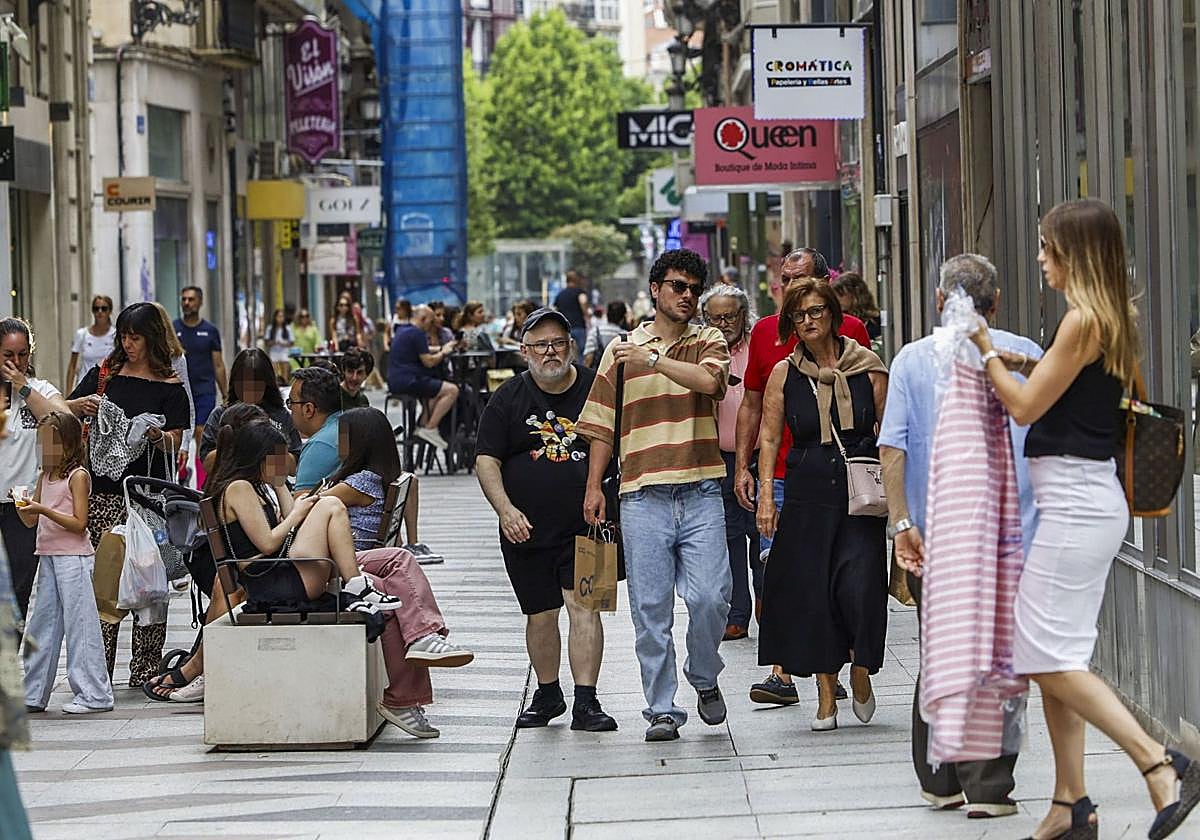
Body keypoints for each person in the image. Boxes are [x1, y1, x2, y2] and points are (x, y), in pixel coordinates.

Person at [969, 199, 1198, 840]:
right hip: (1083, 499)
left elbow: (1023, 410)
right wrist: (1025, 363)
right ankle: (1071, 805)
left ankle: (1162, 765)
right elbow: (1079, 393)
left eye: (1048, 248)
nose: (1041, 259)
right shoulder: (1105, 319)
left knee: (1042, 655)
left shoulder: (1081, 320)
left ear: (1075, 253)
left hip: (1074, 504)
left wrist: (989, 352)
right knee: (1053, 653)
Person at [878, 254, 1042, 818]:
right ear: (994, 304)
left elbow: (892, 447)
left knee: (941, 648)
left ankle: (940, 777)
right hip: (1013, 536)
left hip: (933, 537)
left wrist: (902, 524)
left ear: (938, 303)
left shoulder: (911, 360)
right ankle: (990, 787)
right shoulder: (1026, 355)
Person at [578, 248, 732, 743]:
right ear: (655, 290)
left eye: (693, 288)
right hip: (641, 494)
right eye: (676, 286)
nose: (686, 296)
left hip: (702, 488)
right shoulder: (620, 351)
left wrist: (655, 359)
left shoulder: (708, 339)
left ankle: (704, 674)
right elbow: (601, 426)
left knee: (712, 597)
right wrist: (593, 489)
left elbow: (712, 382)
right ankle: (661, 708)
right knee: (651, 609)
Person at [733, 247, 869, 707]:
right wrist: (747, 471)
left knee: (844, 579)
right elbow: (753, 406)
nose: (791, 288)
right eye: (784, 280)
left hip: (846, 476)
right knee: (785, 574)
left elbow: (871, 405)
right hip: (792, 475)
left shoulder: (852, 333)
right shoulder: (766, 334)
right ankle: (783, 672)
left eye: (801, 279)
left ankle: (849, 658)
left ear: (825, 284)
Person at [754, 279, 888, 732]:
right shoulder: (784, 374)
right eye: (798, 316)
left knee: (861, 585)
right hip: (807, 487)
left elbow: (890, 436)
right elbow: (769, 436)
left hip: (859, 489)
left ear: (832, 313)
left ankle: (861, 670)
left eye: (815, 312)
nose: (808, 322)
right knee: (813, 594)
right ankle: (826, 692)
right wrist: (766, 496)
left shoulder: (868, 367)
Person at [476, 308, 618, 733]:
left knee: (586, 607)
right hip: (526, 529)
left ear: (572, 346)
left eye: (558, 342)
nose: (551, 352)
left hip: (592, 524)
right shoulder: (507, 398)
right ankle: (548, 691)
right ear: (525, 352)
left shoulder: (598, 387)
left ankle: (587, 701)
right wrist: (505, 510)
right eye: (540, 345)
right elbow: (486, 460)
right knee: (540, 613)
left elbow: (614, 442)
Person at [316, 407, 473, 736]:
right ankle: (423, 639)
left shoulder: (356, 483)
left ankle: (404, 692)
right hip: (345, 563)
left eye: (342, 438)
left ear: (358, 442)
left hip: (350, 559)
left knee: (392, 595)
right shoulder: (375, 478)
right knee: (399, 565)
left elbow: (315, 508)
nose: (337, 444)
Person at [67, 302, 191, 685]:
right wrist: (79, 405)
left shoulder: (170, 387)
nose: (128, 344)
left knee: (149, 582)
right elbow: (63, 411)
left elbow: (175, 441)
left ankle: (146, 668)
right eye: (124, 336)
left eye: (135, 337)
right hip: (104, 494)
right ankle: (97, 671)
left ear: (152, 339)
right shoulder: (105, 375)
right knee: (104, 583)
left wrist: (156, 435)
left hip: (147, 499)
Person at [207, 421, 400, 615]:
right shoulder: (239, 488)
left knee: (329, 504)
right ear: (260, 458)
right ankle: (356, 583)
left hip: (283, 576)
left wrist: (280, 485)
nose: (285, 465)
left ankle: (355, 582)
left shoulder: (255, 487)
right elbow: (268, 543)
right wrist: (298, 512)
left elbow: (293, 525)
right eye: (279, 458)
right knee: (330, 504)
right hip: (274, 583)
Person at [18, 412, 113, 714]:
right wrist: (23, 504)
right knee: (42, 625)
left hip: (74, 558)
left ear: (68, 443)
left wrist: (43, 509)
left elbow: (79, 523)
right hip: (47, 557)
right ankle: (33, 693)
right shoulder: (44, 477)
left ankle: (94, 694)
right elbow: (30, 520)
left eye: (51, 442)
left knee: (80, 625)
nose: (45, 448)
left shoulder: (78, 476)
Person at [0, 318, 71, 620]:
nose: (16, 362)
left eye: (22, 354)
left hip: (22, 505)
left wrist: (25, 390)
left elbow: (65, 421)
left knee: (18, 590)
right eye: (8, 355)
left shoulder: (39, 390)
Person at [700, 285, 759, 642]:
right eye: (715, 317)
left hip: (758, 456)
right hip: (717, 458)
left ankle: (771, 606)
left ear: (744, 314)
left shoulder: (759, 346)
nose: (724, 324)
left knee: (763, 533)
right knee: (729, 539)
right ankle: (737, 614)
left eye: (730, 316)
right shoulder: (700, 352)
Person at [199, 348, 302, 475]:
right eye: (242, 385)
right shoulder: (220, 415)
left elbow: (294, 467)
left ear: (266, 384)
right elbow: (207, 464)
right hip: (229, 487)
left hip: (273, 489)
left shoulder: (280, 415)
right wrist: (237, 442)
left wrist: (268, 444)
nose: (249, 391)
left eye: (256, 385)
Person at [387, 305, 460, 452]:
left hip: (395, 381)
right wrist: (444, 352)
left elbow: (422, 350)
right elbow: (429, 361)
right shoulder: (418, 333)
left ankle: (422, 425)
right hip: (409, 381)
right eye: (431, 321)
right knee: (452, 390)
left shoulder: (402, 330)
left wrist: (440, 348)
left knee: (434, 394)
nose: (432, 325)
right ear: (423, 319)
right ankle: (430, 427)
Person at [174, 286, 227, 443]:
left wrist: (225, 393)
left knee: (201, 430)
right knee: (181, 433)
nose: (186, 303)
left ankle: (201, 468)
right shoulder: (173, 329)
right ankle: (182, 468)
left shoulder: (210, 331)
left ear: (200, 302)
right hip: (180, 390)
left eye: (191, 299)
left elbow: (218, 364)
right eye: (184, 299)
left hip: (204, 389)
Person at [289, 367, 347, 493]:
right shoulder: (344, 426)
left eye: (291, 403)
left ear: (308, 409)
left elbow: (301, 507)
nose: (290, 409)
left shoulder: (320, 444)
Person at [66, 295, 116, 390]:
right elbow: (72, 365)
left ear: (110, 311)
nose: (100, 312)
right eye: (96, 309)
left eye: (104, 309)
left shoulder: (115, 335)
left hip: (107, 388)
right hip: (84, 387)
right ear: (92, 311)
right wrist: (68, 393)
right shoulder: (82, 334)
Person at [831, 272, 882, 346]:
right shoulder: (839, 320)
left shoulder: (876, 320)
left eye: (841, 295)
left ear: (855, 293)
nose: (838, 300)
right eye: (835, 296)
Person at [582, 301, 629, 368]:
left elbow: (588, 357)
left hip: (597, 373)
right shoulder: (626, 335)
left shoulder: (595, 332)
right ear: (623, 318)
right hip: (617, 375)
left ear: (607, 314)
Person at [554, 269, 590, 352]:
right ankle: (580, 365)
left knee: (565, 351)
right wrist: (587, 316)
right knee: (582, 351)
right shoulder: (579, 292)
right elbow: (583, 301)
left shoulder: (560, 295)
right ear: (576, 280)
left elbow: (555, 309)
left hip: (565, 328)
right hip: (578, 326)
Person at [266, 308, 293, 385]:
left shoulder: (287, 328)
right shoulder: (270, 328)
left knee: (285, 375)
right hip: (274, 352)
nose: (280, 318)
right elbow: (267, 342)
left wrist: (283, 344)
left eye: (282, 316)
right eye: (279, 316)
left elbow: (291, 342)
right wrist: (274, 342)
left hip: (284, 352)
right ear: (275, 317)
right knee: (274, 374)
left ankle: (285, 386)